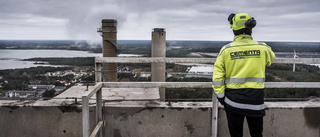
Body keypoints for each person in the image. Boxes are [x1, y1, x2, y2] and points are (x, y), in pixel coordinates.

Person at [212, 13, 275, 137]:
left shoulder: (226, 50)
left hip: (232, 101)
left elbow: (217, 77)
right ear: (251, 27)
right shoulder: (263, 48)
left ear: (234, 29)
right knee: (257, 134)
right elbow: (270, 59)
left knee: (236, 135)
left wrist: (221, 97)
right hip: (255, 99)